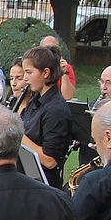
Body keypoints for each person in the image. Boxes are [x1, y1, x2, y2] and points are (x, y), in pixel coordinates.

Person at [19, 46, 72, 189]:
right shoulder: (35, 100)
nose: (25, 78)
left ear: (46, 73)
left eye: (29, 72)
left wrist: (19, 136)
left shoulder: (56, 110)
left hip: (43, 187)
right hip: (27, 179)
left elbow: (50, 161)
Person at [40, 34, 76, 100]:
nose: (50, 52)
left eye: (53, 49)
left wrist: (64, 73)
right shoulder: (35, 66)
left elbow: (67, 96)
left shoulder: (66, 68)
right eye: (47, 48)